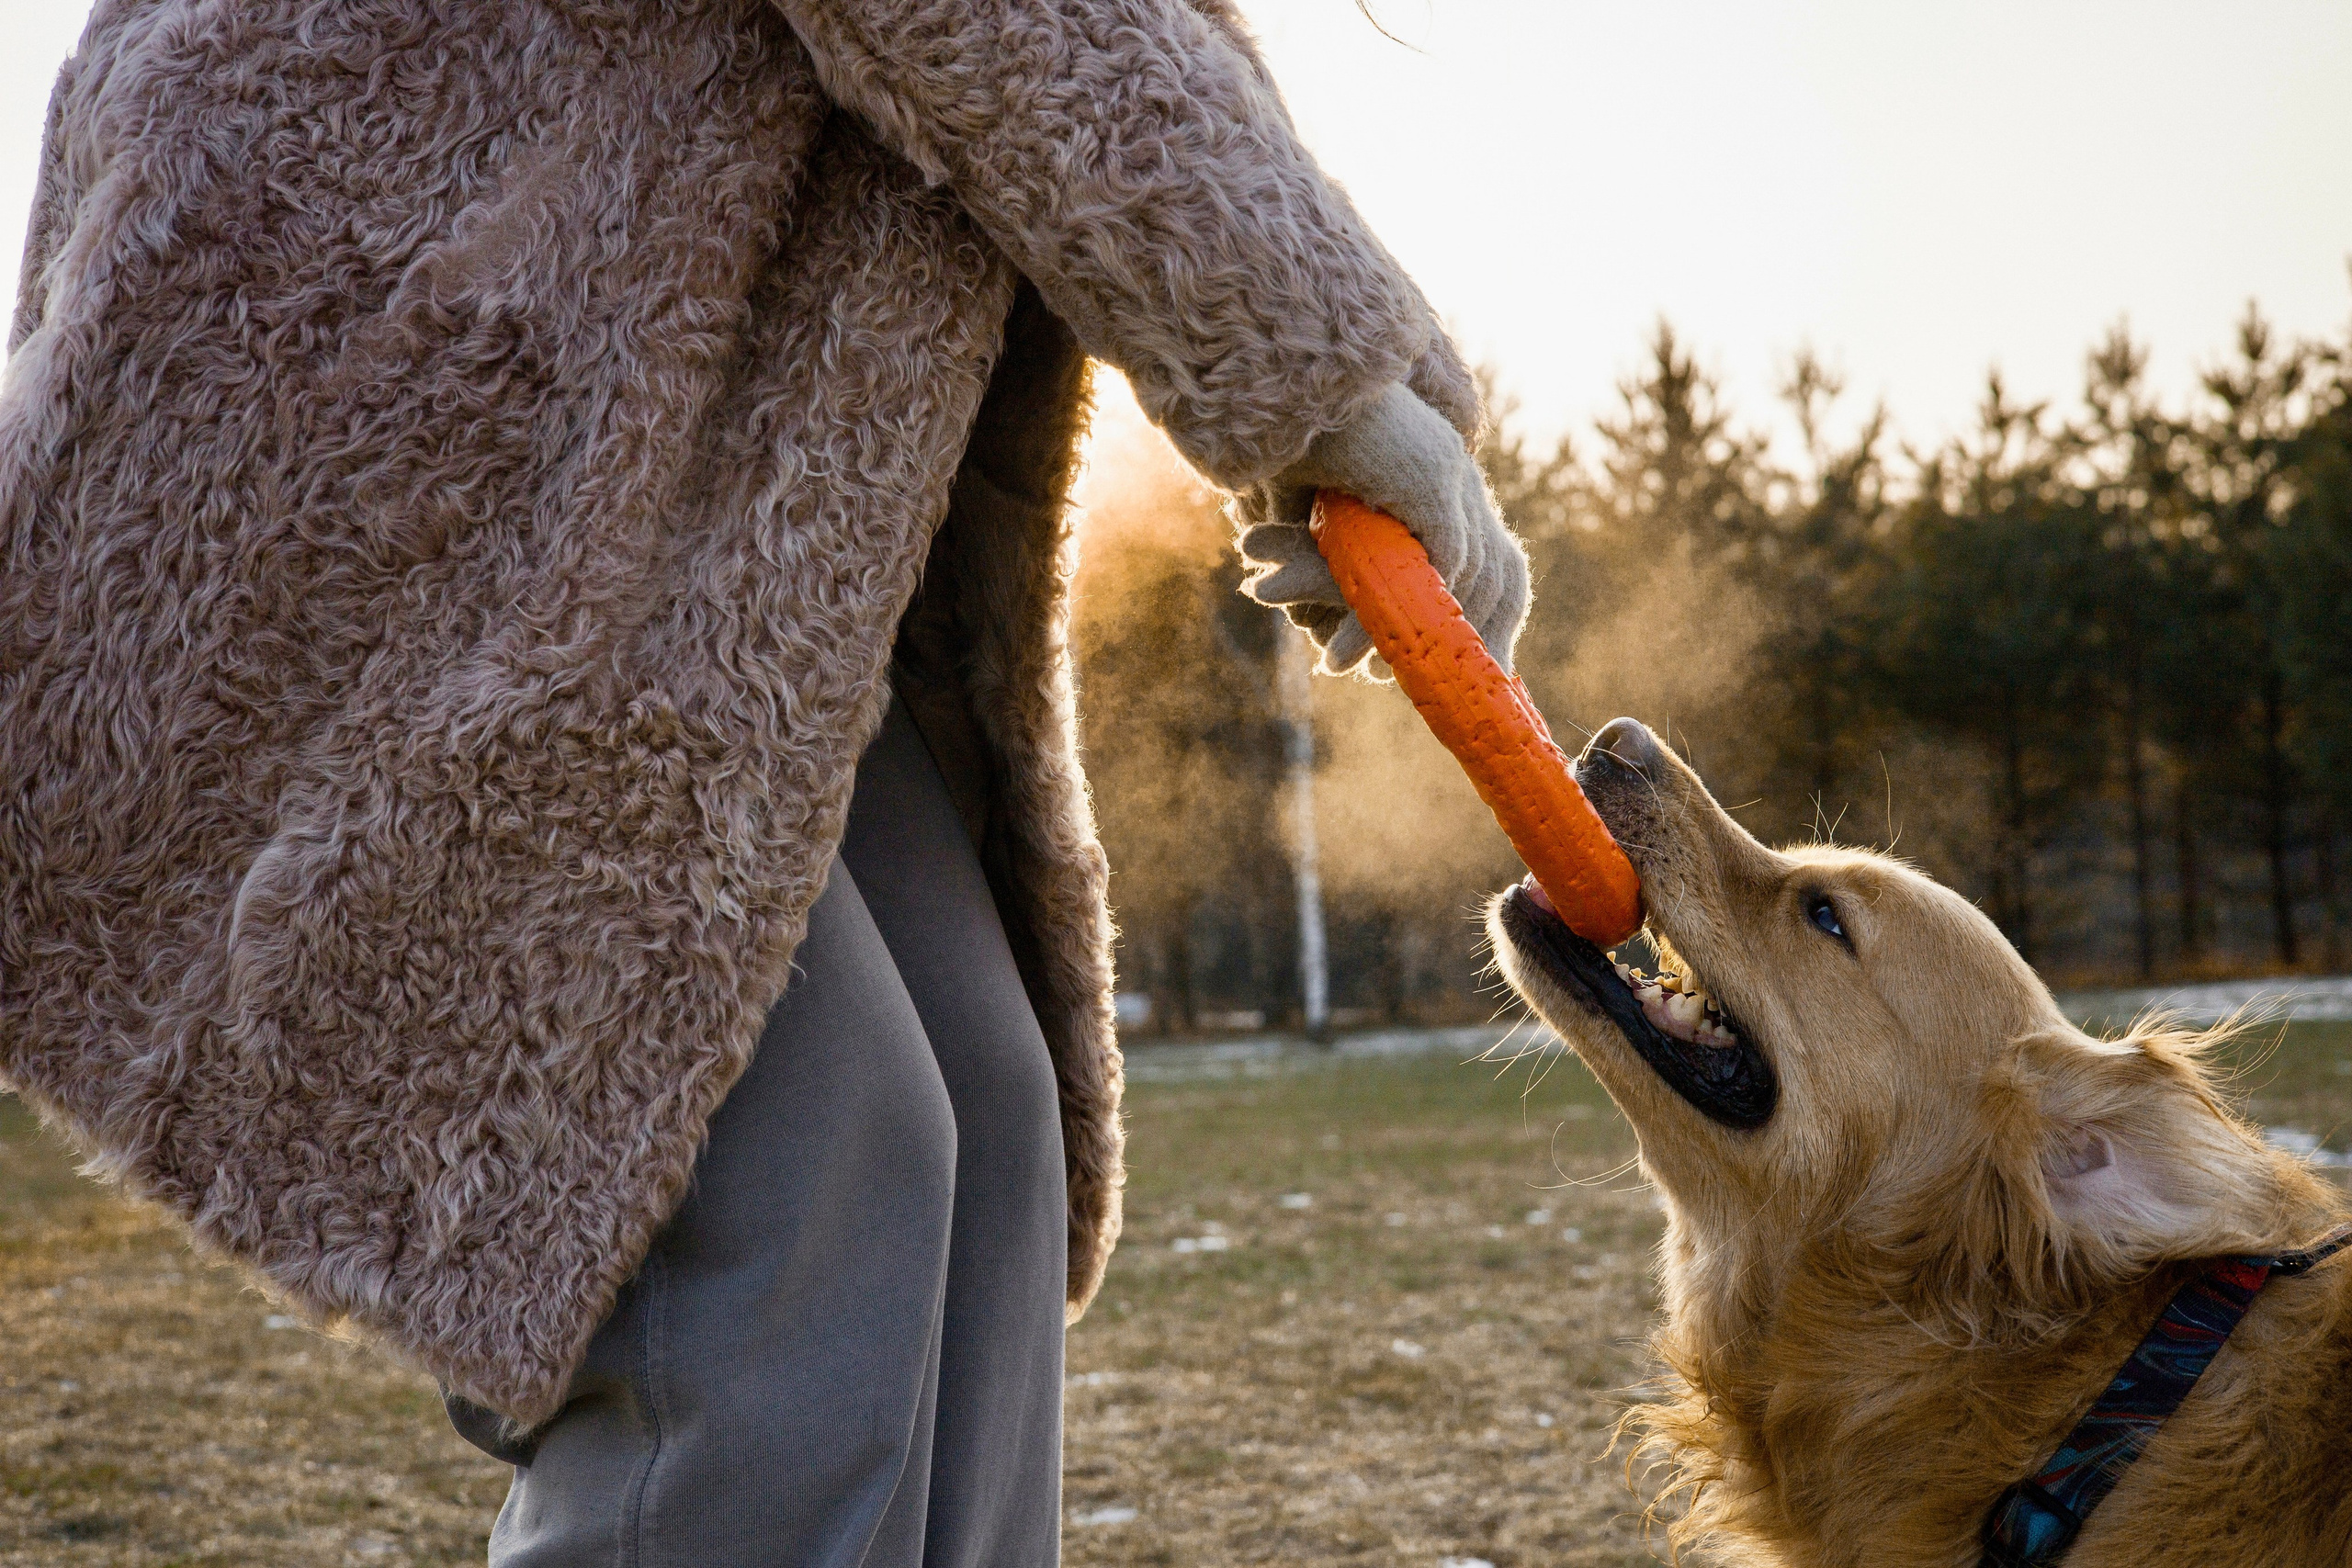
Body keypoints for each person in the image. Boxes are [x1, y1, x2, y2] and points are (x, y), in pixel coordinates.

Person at [0, 0, 1529, 1560]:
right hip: (434, 395)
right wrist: (1325, 385)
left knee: (989, 1126)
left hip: (690, 505)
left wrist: (1366, 387)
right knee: (800, 1186)